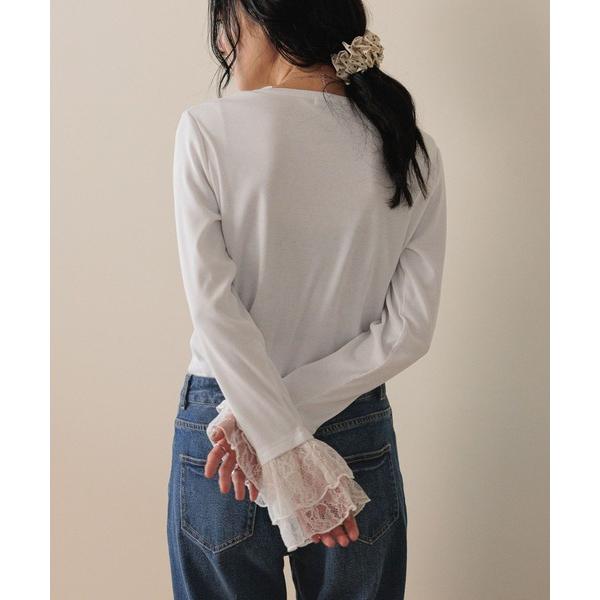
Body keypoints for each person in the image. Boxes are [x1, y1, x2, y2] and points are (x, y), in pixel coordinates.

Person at [166, 1, 447, 598]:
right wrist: (289, 426)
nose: (223, 45)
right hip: (350, 421)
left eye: (226, 24)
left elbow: (215, 310)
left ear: (261, 18)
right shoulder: (410, 146)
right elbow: (409, 331)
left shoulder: (208, 129)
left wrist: (273, 433)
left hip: (226, 426)